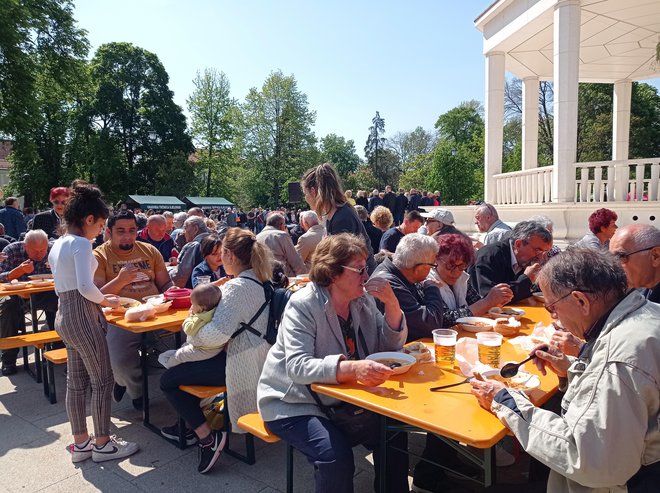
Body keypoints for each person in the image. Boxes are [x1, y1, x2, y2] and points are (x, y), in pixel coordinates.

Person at [470, 249, 660, 492]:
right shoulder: (648, 313)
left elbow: (589, 460)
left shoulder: (617, 360)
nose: (555, 320)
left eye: (552, 308)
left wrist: (504, 400)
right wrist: (571, 371)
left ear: (581, 301)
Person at [257, 233, 409, 493]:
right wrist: (354, 368)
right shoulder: (303, 304)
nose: (367, 275)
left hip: (341, 397)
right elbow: (298, 366)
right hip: (293, 402)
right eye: (360, 269)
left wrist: (392, 304)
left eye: (367, 268)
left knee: (392, 432)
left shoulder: (361, 300)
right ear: (333, 272)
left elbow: (387, 350)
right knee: (335, 456)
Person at [160, 228, 274, 474]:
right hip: (259, 359)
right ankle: (193, 424)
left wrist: (191, 325)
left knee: (168, 379)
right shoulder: (262, 280)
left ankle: (206, 437)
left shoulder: (237, 288)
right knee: (182, 369)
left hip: (239, 363)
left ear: (229, 255)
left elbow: (213, 337)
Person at [48, 181, 139, 463]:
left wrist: (98, 299)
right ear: (89, 219)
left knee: (76, 382)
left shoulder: (59, 243)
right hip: (82, 315)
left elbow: (60, 286)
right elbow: (86, 287)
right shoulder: (80, 244)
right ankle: (102, 444)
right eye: (101, 226)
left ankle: (81, 443)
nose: (101, 232)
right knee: (102, 381)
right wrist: (105, 301)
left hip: (64, 313)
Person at [93, 210, 174, 409]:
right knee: (120, 362)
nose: (127, 236)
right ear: (109, 232)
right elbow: (97, 296)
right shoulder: (99, 255)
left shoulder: (149, 250)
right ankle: (135, 392)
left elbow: (165, 284)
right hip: (120, 317)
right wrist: (120, 280)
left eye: (132, 230)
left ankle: (125, 380)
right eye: (121, 231)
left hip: (155, 312)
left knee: (182, 347)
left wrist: (174, 293)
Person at [0, 230, 59, 375]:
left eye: (43, 250)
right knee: (8, 305)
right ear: (25, 246)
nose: (40, 254)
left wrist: (58, 269)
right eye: (35, 250)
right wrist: (18, 271)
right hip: (16, 294)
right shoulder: (12, 250)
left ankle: (58, 345)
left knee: (60, 300)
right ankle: (8, 359)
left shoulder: (53, 249)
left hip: (43, 292)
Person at [301, 163, 375, 270]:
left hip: (361, 280)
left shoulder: (342, 218)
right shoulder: (334, 214)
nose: (305, 198)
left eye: (305, 193)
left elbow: (342, 265)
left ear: (313, 191)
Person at [371, 233, 443, 341]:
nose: (432, 270)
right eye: (432, 265)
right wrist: (431, 288)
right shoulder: (389, 284)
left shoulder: (400, 274)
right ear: (419, 268)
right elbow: (431, 323)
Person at [429, 233, 512, 327]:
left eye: (461, 266)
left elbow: (475, 302)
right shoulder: (428, 282)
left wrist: (495, 303)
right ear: (435, 259)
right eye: (450, 266)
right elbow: (443, 319)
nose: (456, 272)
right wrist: (487, 302)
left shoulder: (462, 279)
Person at [472, 221, 552, 303]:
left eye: (545, 252)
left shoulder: (527, 260)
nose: (541, 257)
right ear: (518, 244)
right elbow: (491, 299)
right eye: (538, 250)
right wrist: (526, 279)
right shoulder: (489, 256)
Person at [158, 283, 223, 368]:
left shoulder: (200, 318)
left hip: (205, 351)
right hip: (215, 347)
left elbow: (188, 329)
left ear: (201, 307)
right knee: (184, 346)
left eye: (192, 304)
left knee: (180, 354)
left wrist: (190, 316)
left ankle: (169, 364)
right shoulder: (215, 311)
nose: (191, 306)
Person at [609, 223, 660, 302]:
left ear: (655, 256)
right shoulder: (640, 291)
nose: (614, 266)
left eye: (620, 256)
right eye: (611, 259)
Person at [256, 212, 307, 277]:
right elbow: (295, 260)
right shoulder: (281, 235)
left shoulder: (257, 237)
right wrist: (303, 276)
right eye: (285, 225)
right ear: (281, 225)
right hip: (283, 278)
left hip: (265, 277)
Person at [170, 216, 209, 288]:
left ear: (195, 229)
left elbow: (181, 278)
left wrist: (168, 272)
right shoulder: (216, 241)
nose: (183, 232)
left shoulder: (194, 246)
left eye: (185, 228)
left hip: (195, 291)